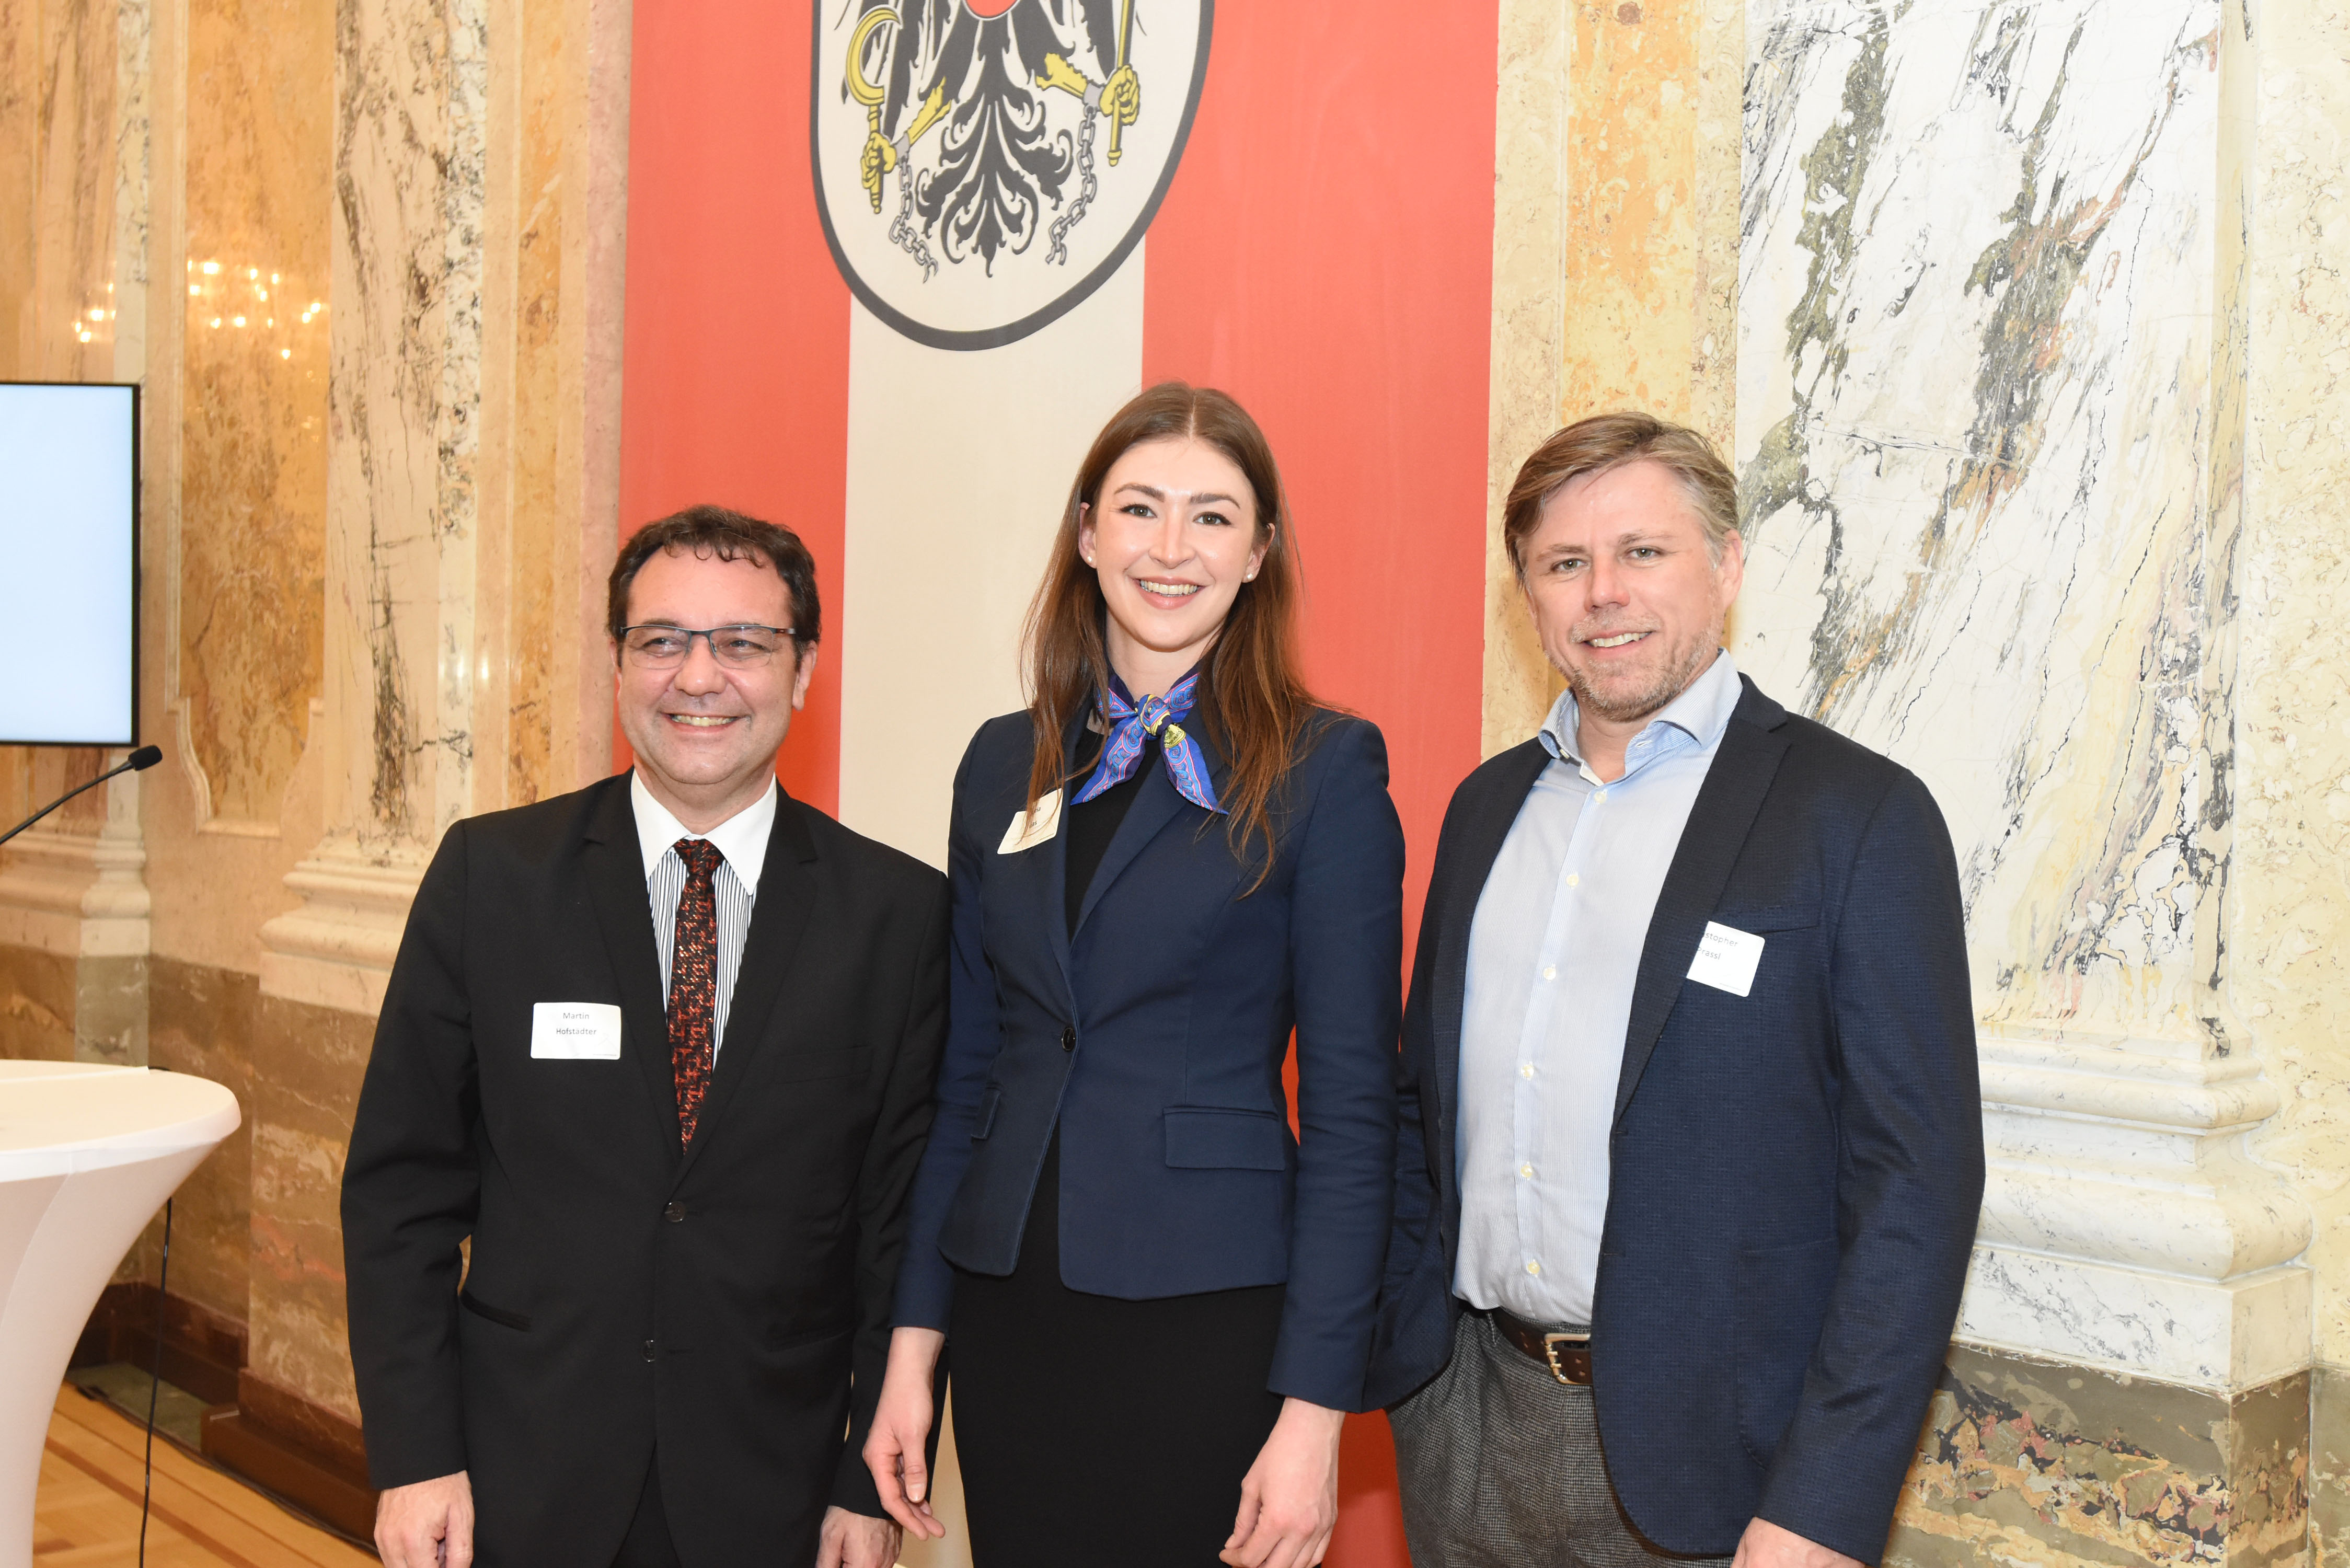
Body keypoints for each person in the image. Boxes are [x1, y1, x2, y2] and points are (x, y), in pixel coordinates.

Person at [1369, 414, 1985, 1567]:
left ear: (1728, 564)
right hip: (1464, 1426)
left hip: (1718, 1468)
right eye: (1565, 563)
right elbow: (1420, 1110)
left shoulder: (1857, 818)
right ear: (1529, 596)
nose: (1604, 592)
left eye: (1642, 552)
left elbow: (1916, 1188)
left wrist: (1822, 1505)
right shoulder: (1485, 810)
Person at [860, 383, 1404, 1568]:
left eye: (1213, 517)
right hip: (1011, 1313)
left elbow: (1356, 1115)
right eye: (1141, 508)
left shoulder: (1323, 768)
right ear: (1087, 532)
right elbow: (967, 1082)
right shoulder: (1002, 761)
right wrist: (912, 1351)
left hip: (1208, 1319)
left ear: (1258, 553)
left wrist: (1315, 1413)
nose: (1171, 549)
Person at [341, 506, 948, 1568]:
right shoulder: (493, 880)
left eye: (743, 642)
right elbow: (400, 1195)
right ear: (618, 664)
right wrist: (415, 1455)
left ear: (804, 670)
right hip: (518, 1474)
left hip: (779, 1489)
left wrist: (869, 1481)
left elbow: (900, 1228)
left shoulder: (897, 917)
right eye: (663, 640)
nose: (698, 677)